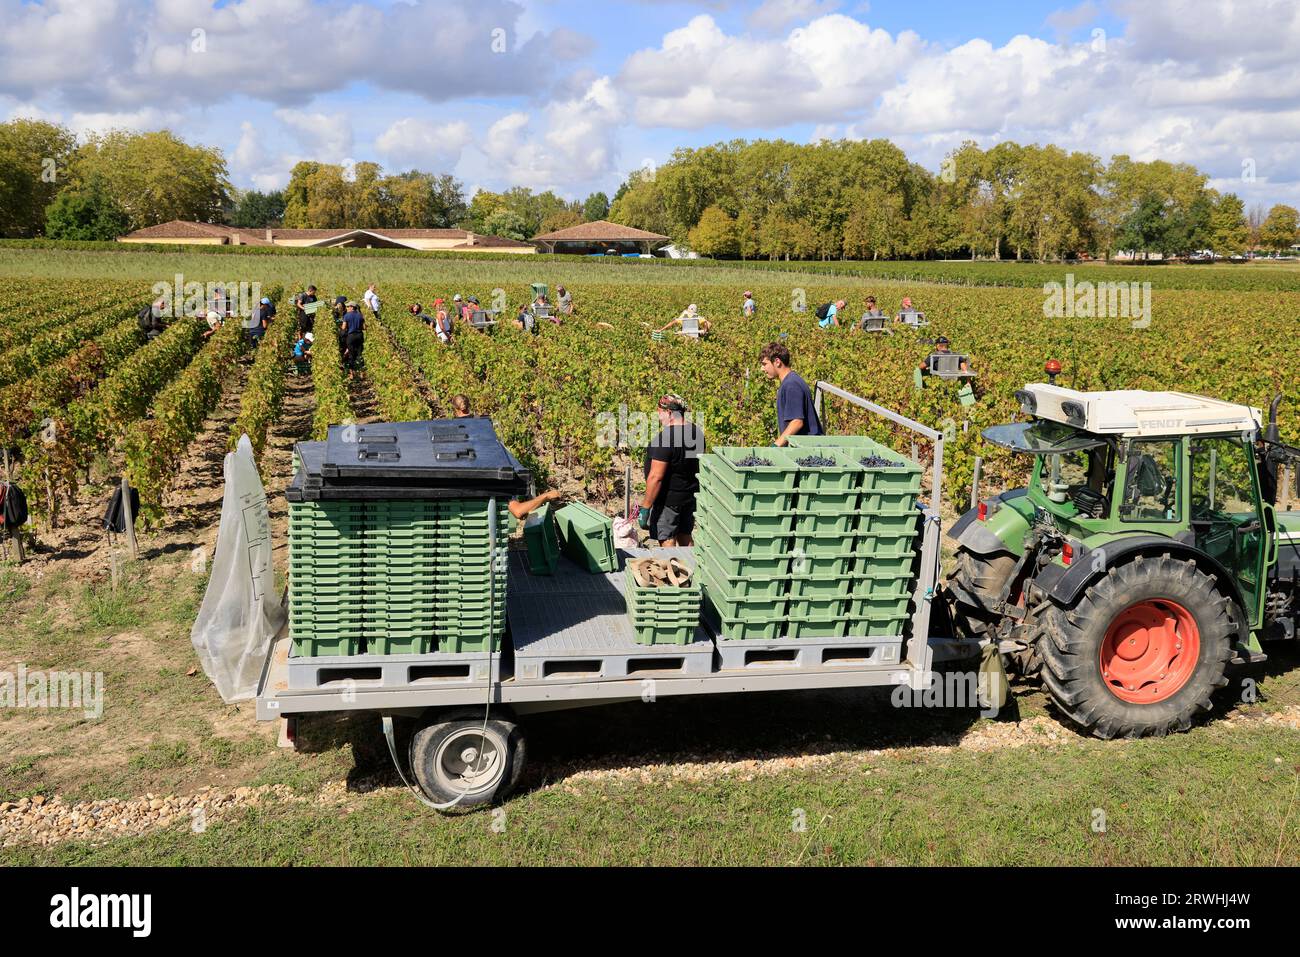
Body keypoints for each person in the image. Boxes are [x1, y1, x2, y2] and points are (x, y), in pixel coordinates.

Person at [638, 394, 705, 547]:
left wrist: (645, 508)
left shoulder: (664, 439)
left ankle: (673, 569)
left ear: (668, 413)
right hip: (689, 498)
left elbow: (656, 477)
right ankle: (694, 569)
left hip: (668, 502)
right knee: (685, 537)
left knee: (668, 540)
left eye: (659, 412)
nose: (658, 416)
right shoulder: (697, 433)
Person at [760, 341, 823, 446]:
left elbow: (797, 422)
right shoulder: (790, 381)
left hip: (807, 450)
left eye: (765, 364)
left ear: (777, 362)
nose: (762, 369)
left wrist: (776, 445)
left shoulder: (791, 385)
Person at [339, 300, 365, 379]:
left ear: (351, 307)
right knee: (359, 354)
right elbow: (364, 327)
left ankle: (352, 374)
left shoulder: (347, 316)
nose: (346, 308)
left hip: (351, 336)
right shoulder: (360, 315)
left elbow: (344, 327)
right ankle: (361, 373)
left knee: (351, 354)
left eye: (347, 306)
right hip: (359, 335)